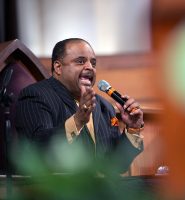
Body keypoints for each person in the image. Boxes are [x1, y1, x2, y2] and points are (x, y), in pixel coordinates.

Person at [15, 38, 144, 174]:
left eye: (93, 63)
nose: (89, 67)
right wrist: (77, 122)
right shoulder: (36, 95)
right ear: (58, 67)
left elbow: (117, 165)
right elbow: (37, 149)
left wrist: (133, 129)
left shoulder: (104, 106)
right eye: (80, 61)